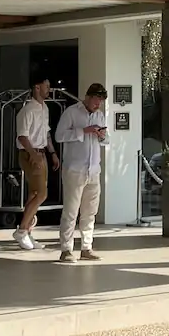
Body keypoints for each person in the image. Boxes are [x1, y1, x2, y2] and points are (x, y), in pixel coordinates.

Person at [54, 83, 108, 263]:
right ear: (88, 97)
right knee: (71, 211)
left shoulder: (100, 115)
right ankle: (66, 249)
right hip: (75, 170)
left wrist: (102, 136)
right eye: (96, 100)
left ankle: (86, 247)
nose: (98, 104)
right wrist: (83, 131)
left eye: (101, 101)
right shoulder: (71, 112)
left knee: (90, 212)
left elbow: (106, 140)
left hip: (93, 170)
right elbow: (59, 136)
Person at [12, 77, 59, 251]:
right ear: (37, 87)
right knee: (41, 193)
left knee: (34, 193)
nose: (49, 89)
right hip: (30, 154)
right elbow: (22, 136)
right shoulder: (27, 110)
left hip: (41, 152)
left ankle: (27, 231)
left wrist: (52, 153)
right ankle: (21, 231)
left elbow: (46, 133)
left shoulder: (45, 108)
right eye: (46, 86)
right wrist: (34, 155)